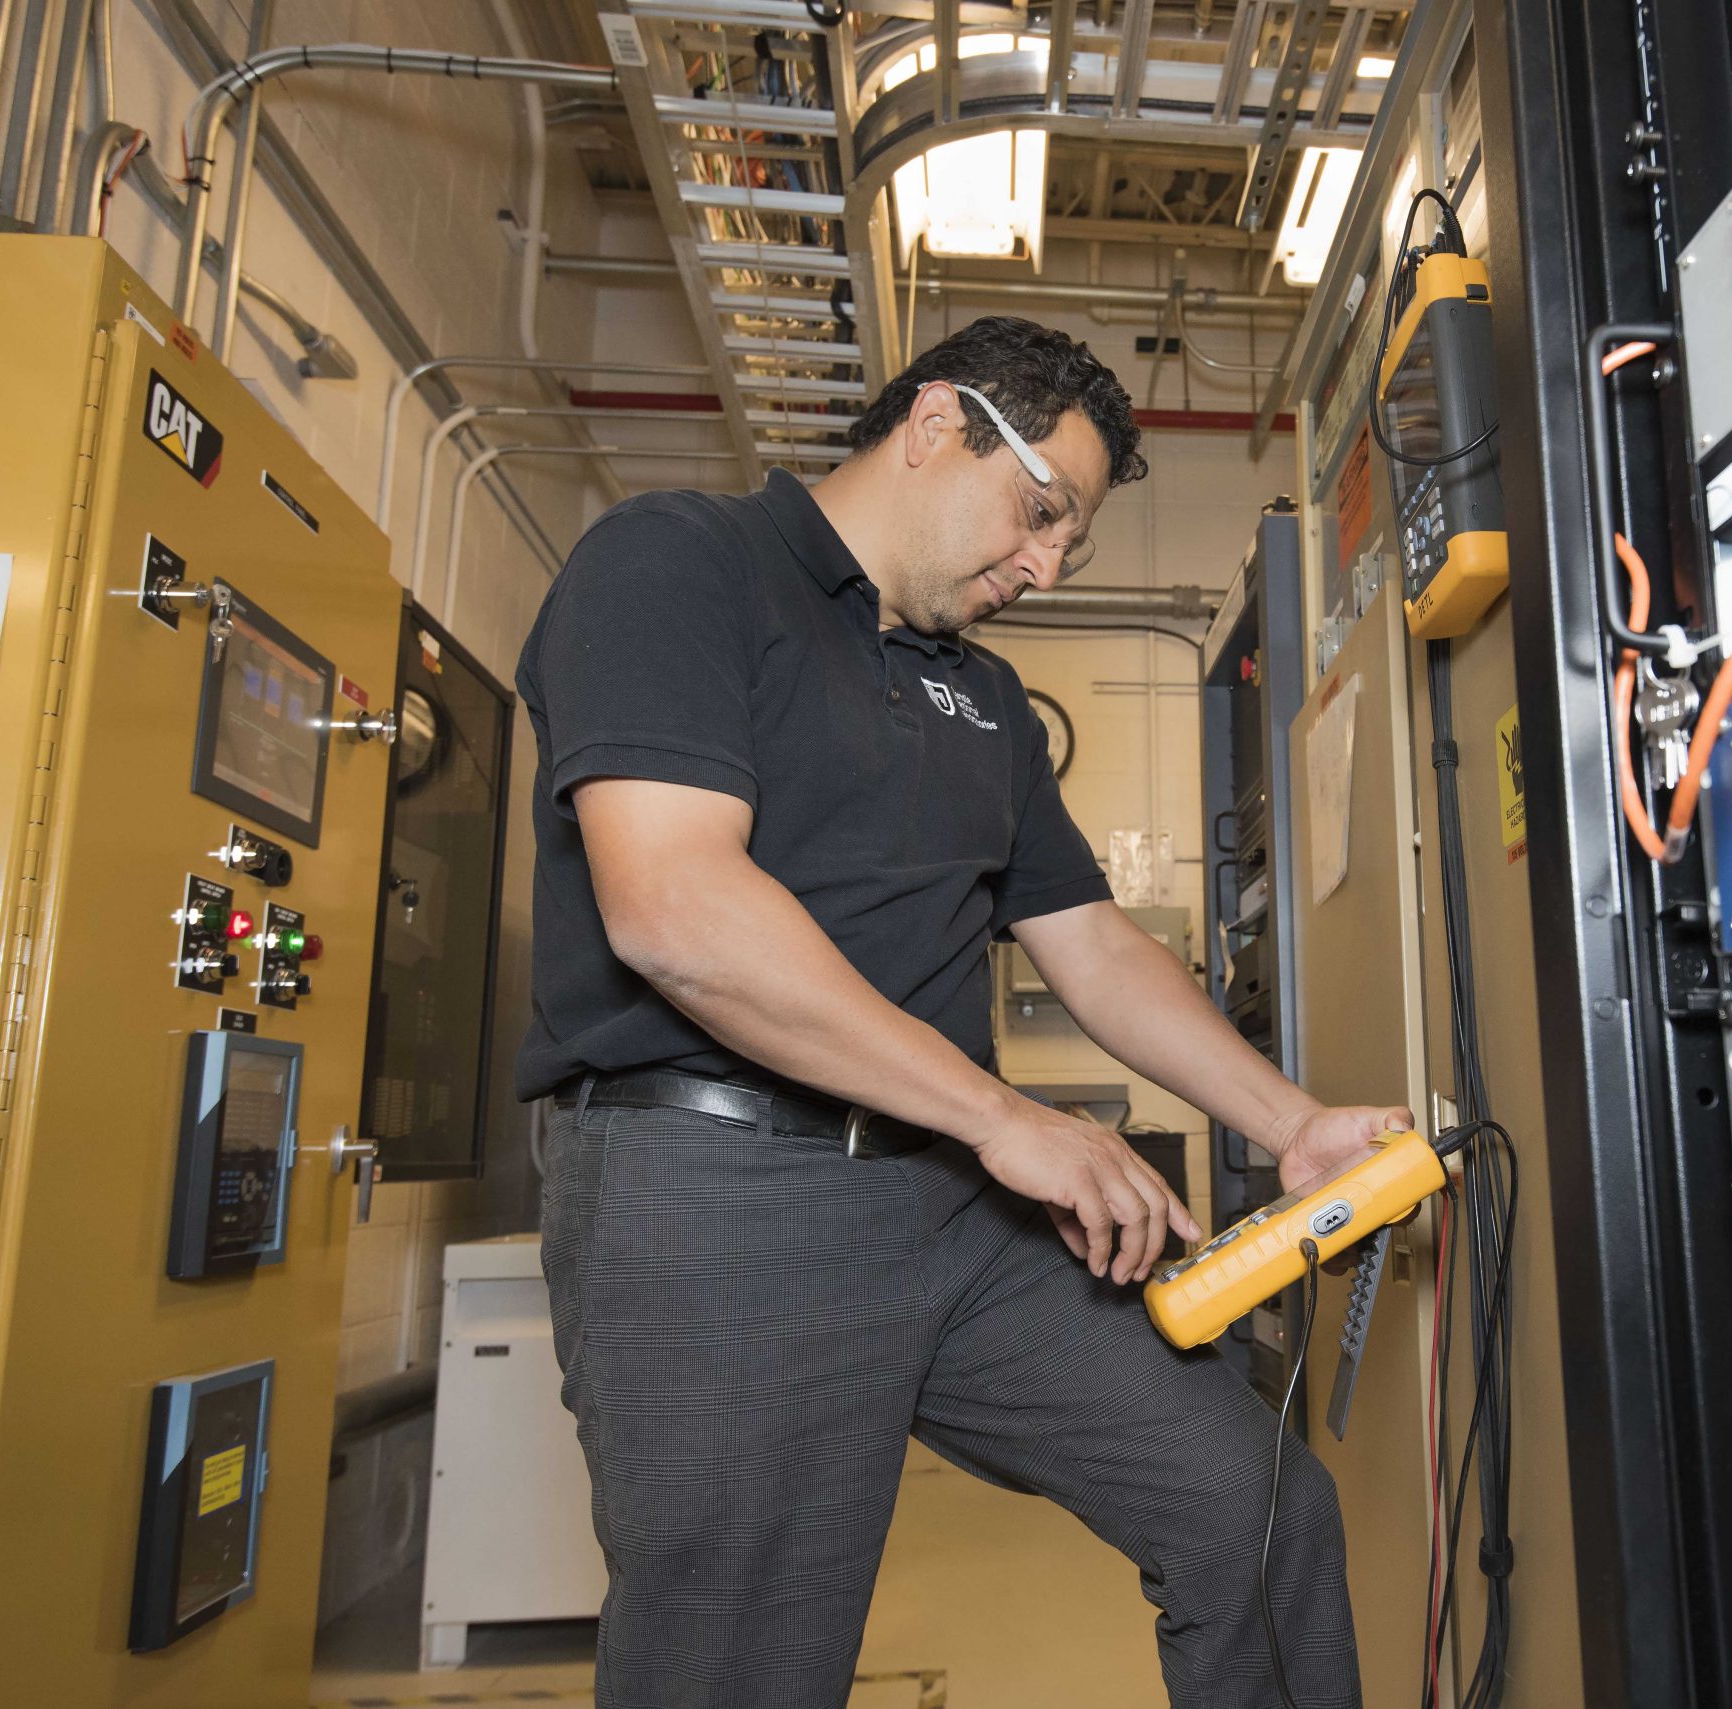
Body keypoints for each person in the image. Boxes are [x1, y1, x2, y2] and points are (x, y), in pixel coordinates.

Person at [518, 315, 1406, 1709]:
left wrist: (1291, 1124)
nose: (1043, 566)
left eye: (1072, 546)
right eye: (1040, 513)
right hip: (714, 1190)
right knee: (743, 1661)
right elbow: (675, 905)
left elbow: (1094, 946)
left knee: (1251, 1504)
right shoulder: (679, 562)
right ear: (937, 424)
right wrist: (1005, 1118)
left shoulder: (986, 699)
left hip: (948, 1211)